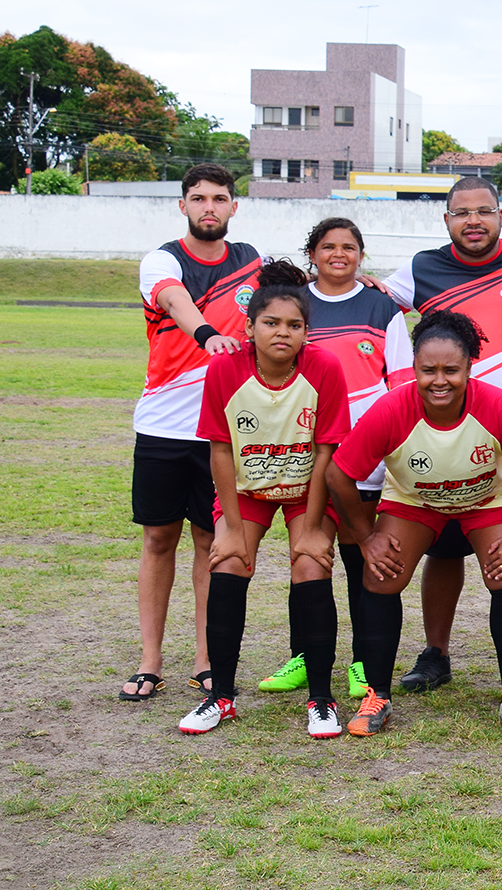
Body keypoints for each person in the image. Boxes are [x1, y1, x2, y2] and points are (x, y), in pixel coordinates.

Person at [382, 177, 502, 695]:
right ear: (445, 220)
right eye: (461, 213)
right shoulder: (421, 268)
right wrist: (401, 377)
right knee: (443, 553)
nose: (474, 220)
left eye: (484, 211)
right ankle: (436, 652)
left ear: (501, 215)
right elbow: (374, 308)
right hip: (444, 439)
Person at [325, 310, 502, 738]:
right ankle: (378, 696)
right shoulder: (393, 408)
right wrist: (366, 538)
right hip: (416, 501)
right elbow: (338, 474)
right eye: (428, 370)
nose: (439, 380)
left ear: (470, 367)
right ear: (413, 369)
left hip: (487, 499)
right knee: (380, 575)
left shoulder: (495, 405)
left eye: (451, 369)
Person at [178, 261, 351, 737]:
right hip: (246, 488)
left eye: (294, 325)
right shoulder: (225, 369)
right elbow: (219, 449)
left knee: (311, 562)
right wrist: (231, 527)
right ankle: (222, 697)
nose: (282, 332)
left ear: (306, 332)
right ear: (250, 328)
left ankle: (321, 699)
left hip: (305, 488)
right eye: (271, 323)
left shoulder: (325, 368)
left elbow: (324, 453)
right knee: (229, 561)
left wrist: (313, 526)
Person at [123, 163, 264, 702]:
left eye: (220, 198)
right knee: (159, 539)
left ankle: (207, 660)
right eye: (199, 198)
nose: (210, 207)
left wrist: (359, 278)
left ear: (234, 207)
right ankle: (150, 660)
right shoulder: (162, 260)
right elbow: (173, 300)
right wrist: (207, 333)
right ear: (182, 206)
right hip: (161, 426)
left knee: (211, 543)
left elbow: (303, 292)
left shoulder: (253, 261)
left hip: (223, 433)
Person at [258, 219, 414, 701]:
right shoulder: (293, 304)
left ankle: (363, 665)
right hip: (303, 448)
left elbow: (402, 381)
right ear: (313, 253)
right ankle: (305, 655)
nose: (339, 255)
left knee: (360, 556)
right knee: (308, 553)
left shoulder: (380, 305)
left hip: (365, 452)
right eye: (328, 247)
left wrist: (397, 448)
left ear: (361, 255)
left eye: (348, 247)